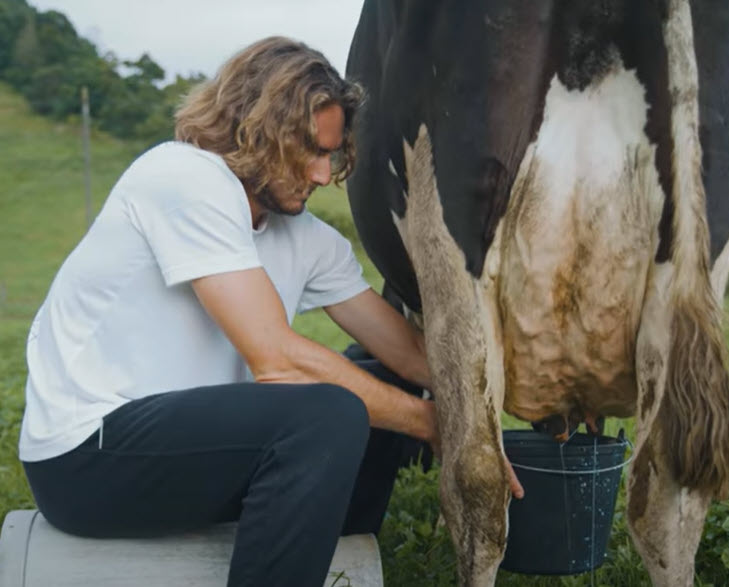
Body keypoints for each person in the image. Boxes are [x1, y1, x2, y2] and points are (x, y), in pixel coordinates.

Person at [18, 36, 439, 587]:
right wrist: (432, 424)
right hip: (86, 460)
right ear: (255, 127)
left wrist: (484, 404)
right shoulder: (184, 178)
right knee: (327, 412)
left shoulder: (307, 237)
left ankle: (336, 554)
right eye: (310, 150)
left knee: (374, 376)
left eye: (331, 154)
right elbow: (277, 362)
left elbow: (407, 355)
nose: (321, 174)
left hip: (185, 457)